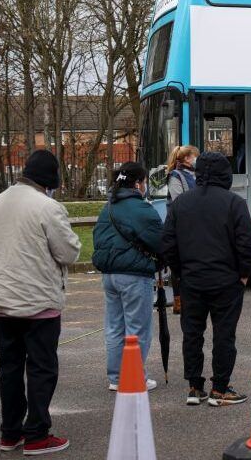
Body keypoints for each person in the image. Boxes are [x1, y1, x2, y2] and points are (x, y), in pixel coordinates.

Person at [0, 149, 81, 455]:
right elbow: (68, 252)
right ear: (49, 179)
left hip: (3, 299)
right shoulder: (48, 207)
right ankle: (37, 433)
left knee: (9, 369)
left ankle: (10, 432)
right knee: (41, 368)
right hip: (39, 302)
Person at [162, 151, 251, 407]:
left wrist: (179, 272)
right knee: (224, 335)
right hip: (226, 280)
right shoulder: (234, 202)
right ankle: (220, 388)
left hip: (191, 279)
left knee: (192, 334)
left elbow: (168, 243)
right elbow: (246, 243)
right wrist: (244, 274)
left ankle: (194, 386)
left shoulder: (181, 203)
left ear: (198, 172)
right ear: (226, 174)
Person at [92, 162, 163, 392]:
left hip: (110, 275)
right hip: (134, 275)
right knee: (137, 329)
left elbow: (98, 237)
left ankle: (115, 377)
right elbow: (160, 242)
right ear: (138, 183)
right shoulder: (141, 209)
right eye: (144, 182)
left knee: (114, 327)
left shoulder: (108, 207)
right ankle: (134, 376)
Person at [165, 145, 199, 314]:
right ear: (186, 159)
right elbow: (179, 201)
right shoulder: (175, 176)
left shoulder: (194, 175)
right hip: (180, 225)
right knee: (177, 263)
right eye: (194, 156)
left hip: (192, 223)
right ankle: (178, 300)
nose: (196, 159)